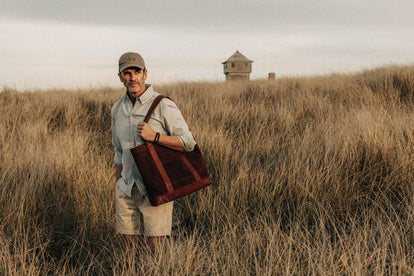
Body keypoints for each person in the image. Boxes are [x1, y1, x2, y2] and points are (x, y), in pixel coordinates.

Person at [111, 52, 196, 254]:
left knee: (155, 252)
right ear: (120, 77)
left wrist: (155, 137)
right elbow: (118, 152)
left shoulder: (163, 105)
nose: (132, 78)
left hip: (155, 188)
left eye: (137, 72)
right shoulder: (117, 109)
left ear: (145, 74)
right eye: (127, 73)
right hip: (126, 187)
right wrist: (117, 187)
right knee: (127, 252)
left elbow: (188, 143)